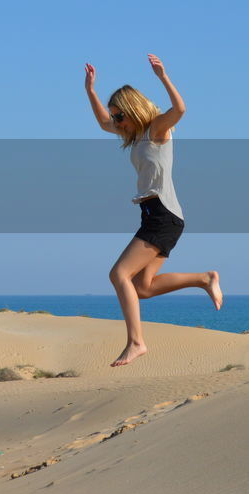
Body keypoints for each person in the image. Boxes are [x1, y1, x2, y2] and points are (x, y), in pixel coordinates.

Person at [85, 55, 223, 367]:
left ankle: (136, 342)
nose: (116, 123)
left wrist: (163, 76)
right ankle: (204, 278)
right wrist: (91, 91)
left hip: (162, 215)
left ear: (133, 110)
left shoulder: (158, 130)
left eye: (120, 116)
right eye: (116, 117)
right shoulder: (134, 136)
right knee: (142, 287)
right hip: (158, 216)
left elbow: (180, 110)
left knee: (119, 274)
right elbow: (101, 122)